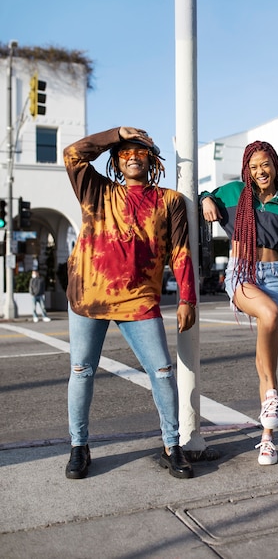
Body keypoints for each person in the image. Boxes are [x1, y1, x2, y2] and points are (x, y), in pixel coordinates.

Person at [63, 126, 197, 480]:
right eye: (124, 151)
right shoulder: (96, 190)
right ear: (115, 160)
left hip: (140, 299)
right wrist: (116, 133)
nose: (133, 156)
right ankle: (79, 446)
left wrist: (187, 298)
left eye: (141, 151)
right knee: (81, 371)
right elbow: (73, 154)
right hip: (89, 296)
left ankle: (172, 445)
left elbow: (181, 253)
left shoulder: (169, 201)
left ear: (152, 159)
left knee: (163, 372)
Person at [200, 140, 278, 465]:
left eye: (266, 164)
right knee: (270, 313)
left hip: (274, 275)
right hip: (242, 274)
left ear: (275, 165)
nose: (261, 171)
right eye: (254, 166)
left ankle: (267, 439)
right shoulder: (233, 193)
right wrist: (205, 200)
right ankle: (273, 397)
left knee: (267, 363)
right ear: (248, 168)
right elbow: (205, 198)